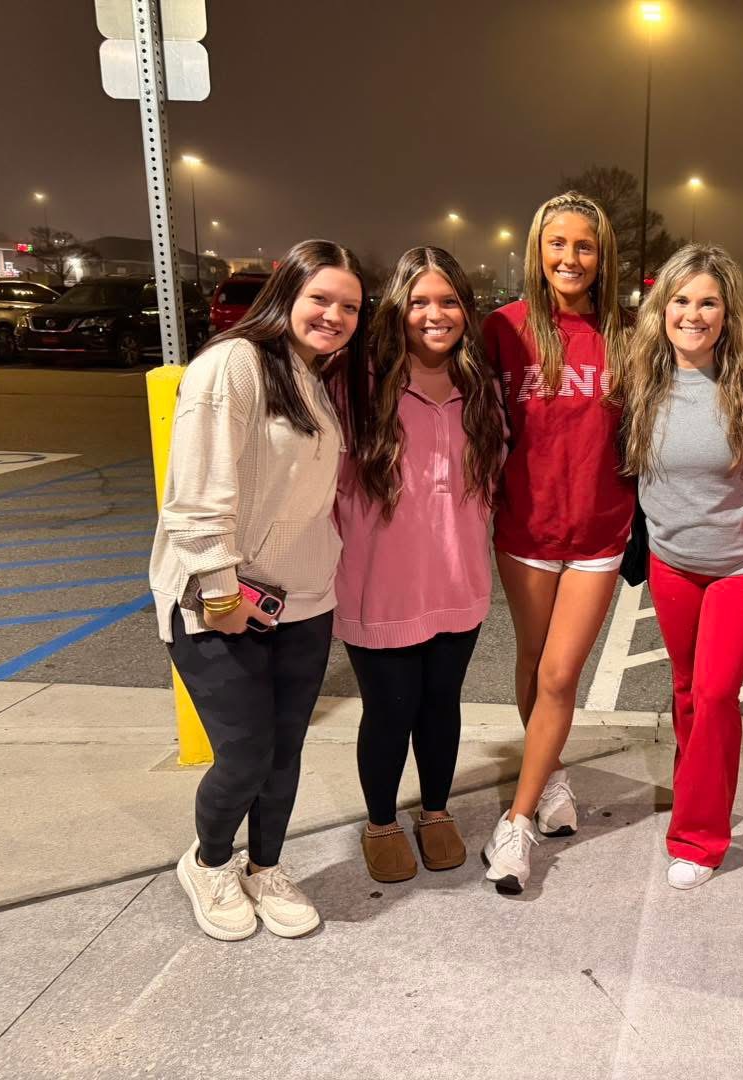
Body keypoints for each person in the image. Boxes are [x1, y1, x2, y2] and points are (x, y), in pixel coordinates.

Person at [150, 239, 368, 941]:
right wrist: (220, 591)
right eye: (321, 299)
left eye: (350, 307)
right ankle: (211, 862)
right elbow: (193, 495)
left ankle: (266, 865)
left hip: (302, 601)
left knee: (284, 752)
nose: (334, 315)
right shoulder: (234, 365)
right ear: (287, 296)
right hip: (219, 603)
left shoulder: (314, 378)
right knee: (243, 753)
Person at [331, 247, 505, 883]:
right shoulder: (359, 383)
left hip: (458, 583)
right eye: (420, 301)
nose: (435, 314)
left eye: (449, 300)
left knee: (441, 706)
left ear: (466, 308)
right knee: (390, 710)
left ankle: (435, 811)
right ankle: (380, 820)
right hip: (381, 586)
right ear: (398, 308)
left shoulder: (479, 386)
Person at [479, 192, 633, 894]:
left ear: (602, 257)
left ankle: (514, 825)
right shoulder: (501, 331)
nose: (570, 258)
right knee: (535, 661)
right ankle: (551, 775)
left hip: (600, 532)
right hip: (526, 531)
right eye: (558, 244)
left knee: (562, 675)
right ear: (537, 250)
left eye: (585, 246)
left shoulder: (629, 334)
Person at [612, 243, 743, 891]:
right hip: (672, 563)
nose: (694, 314)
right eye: (681, 300)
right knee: (682, 691)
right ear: (662, 307)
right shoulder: (639, 379)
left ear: (729, 313)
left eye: (709, 302)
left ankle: (699, 837)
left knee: (713, 694)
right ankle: (695, 788)